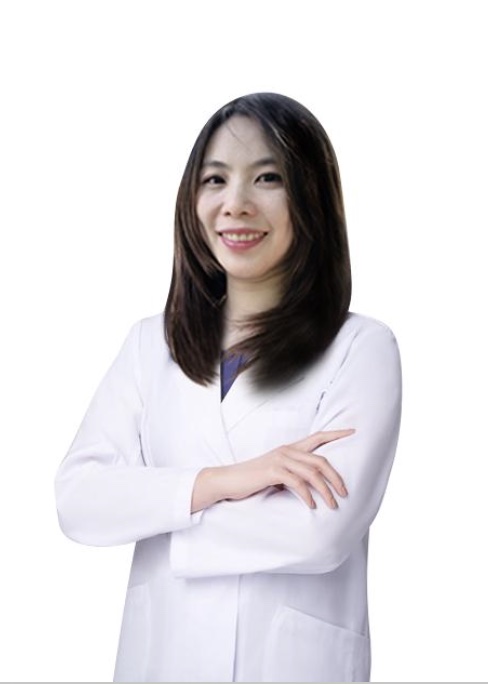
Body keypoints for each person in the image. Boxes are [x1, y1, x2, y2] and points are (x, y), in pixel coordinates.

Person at [55, 92, 402, 683]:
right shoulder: (149, 345)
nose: (235, 204)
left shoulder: (360, 348)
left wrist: (159, 511)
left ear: (311, 197)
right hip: (163, 658)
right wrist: (227, 480)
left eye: (268, 178)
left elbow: (321, 531)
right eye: (215, 179)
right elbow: (78, 501)